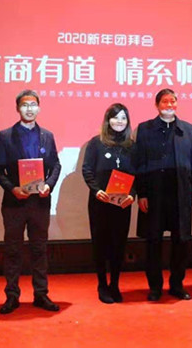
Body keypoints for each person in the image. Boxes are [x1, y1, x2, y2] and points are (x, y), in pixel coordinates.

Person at [0, 89, 62, 314]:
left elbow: (56, 165)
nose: (29, 109)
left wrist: (49, 185)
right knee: (13, 249)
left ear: (39, 108)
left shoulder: (47, 136)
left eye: (33, 105)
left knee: (39, 249)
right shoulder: (5, 136)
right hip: (15, 202)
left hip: (39, 202)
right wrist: (12, 188)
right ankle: (12, 295)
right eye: (24, 105)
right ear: (17, 108)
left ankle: (41, 294)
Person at [133, 88, 192, 301]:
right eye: (165, 101)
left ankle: (177, 284)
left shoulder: (188, 130)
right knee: (153, 242)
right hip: (154, 194)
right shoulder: (145, 129)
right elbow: (140, 162)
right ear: (157, 105)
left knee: (181, 241)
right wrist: (142, 193)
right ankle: (155, 287)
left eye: (173, 101)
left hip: (180, 193)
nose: (169, 105)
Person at [82, 103, 136, 304]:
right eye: (115, 117)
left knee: (118, 245)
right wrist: (97, 190)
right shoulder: (96, 143)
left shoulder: (132, 146)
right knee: (101, 244)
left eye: (123, 118)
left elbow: (137, 173)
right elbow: (87, 170)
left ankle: (115, 284)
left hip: (122, 204)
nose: (119, 121)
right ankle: (102, 285)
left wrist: (133, 194)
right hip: (100, 202)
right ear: (108, 120)